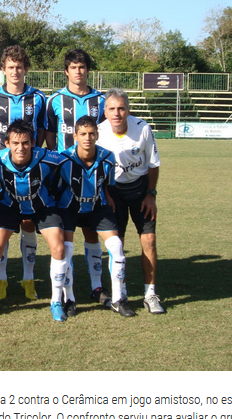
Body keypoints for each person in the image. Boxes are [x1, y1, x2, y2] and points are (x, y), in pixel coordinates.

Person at [0, 120, 69, 322]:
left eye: (26, 142)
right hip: (9, 206)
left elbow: (70, 163)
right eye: (15, 143)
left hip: (42, 207)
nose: (21, 148)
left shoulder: (47, 158)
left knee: (58, 247)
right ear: (7, 143)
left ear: (33, 142)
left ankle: (56, 301)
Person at [45, 48, 109, 306]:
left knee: (91, 231)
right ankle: (66, 291)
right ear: (66, 71)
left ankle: (97, 286)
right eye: (73, 67)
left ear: (88, 70)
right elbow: (50, 136)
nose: (78, 71)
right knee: (66, 234)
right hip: (65, 176)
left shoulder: (101, 100)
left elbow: (105, 134)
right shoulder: (54, 100)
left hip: (94, 175)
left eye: (82, 67)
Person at [0, 45, 47, 301]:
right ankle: (1, 280)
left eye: (19, 67)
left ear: (26, 69)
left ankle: (28, 278)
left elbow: (41, 131)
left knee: (28, 221)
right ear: (3, 69)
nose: (15, 71)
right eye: (10, 67)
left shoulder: (38, 97)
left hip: (29, 169)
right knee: (3, 224)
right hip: (1, 170)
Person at [58, 115, 134, 317]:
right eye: (83, 134)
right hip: (69, 207)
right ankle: (69, 298)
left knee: (116, 246)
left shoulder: (108, 157)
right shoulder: (63, 159)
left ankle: (116, 298)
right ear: (75, 136)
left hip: (96, 206)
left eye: (91, 133)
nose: (87, 138)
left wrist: (108, 197)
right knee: (66, 249)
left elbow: (108, 184)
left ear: (97, 135)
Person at [98, 88, 164, 314]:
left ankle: (150, 294)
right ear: (105, 111)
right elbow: (98, 169)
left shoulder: (142, 128)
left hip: (140, 191)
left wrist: (151, 194)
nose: (116, 113)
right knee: (117, 244)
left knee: (149, 240)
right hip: (114, 192)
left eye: (121, 108)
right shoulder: (100, 133)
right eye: (112, 109)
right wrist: (106, 194)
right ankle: (121, 291)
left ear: (128, 110)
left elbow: (153, 164)